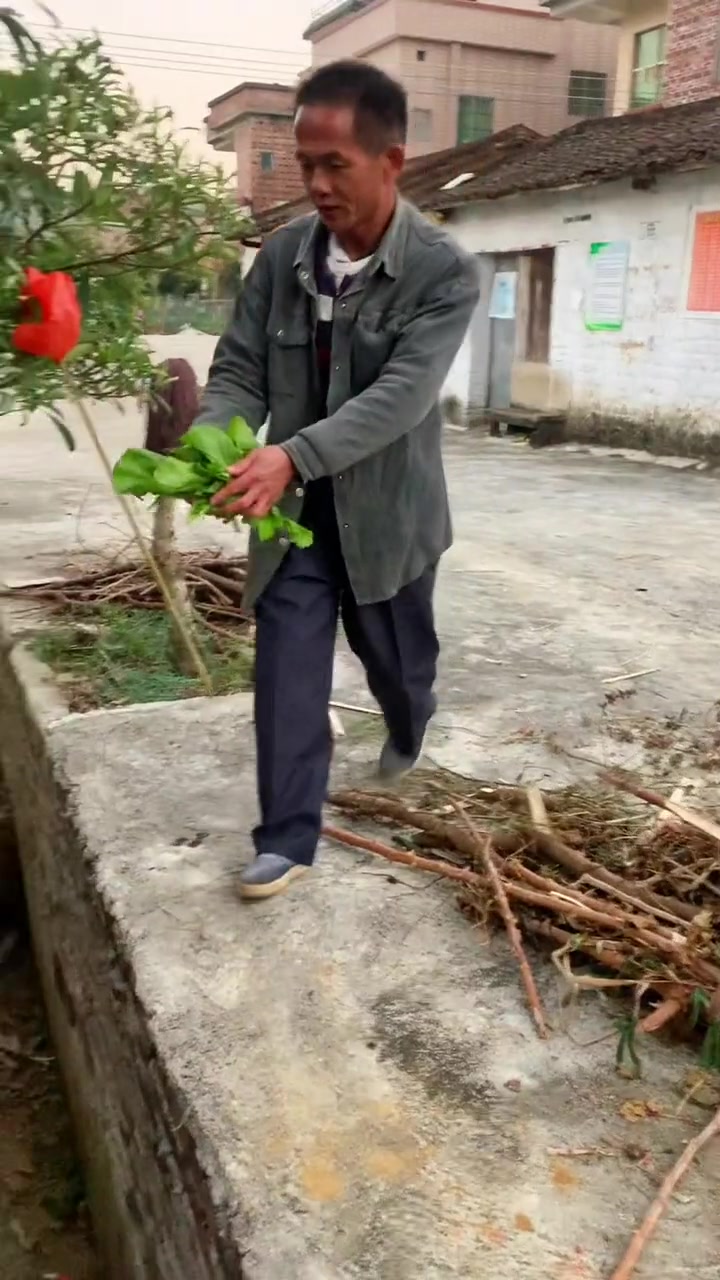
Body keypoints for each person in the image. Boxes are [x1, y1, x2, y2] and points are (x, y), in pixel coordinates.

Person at [198, 60, 480, 900]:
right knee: (286, 663)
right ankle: (285, 836)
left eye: (335, 166)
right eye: (304, 163)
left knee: (396, 661)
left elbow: (399, 399)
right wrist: (214, 442)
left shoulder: (443, 272)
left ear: (390, 161)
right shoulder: (283, 258)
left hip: (389, 517)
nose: (315, 184)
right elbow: (239, 368)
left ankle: (409, 716)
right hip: (296, 516)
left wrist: (292, 453)